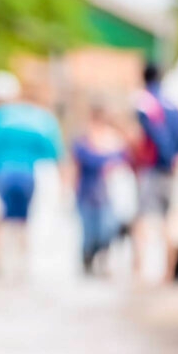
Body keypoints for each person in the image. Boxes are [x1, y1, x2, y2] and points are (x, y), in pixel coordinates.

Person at [0, 71, 64, 276]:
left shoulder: (0, 114)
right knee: (25, 219)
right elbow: (55, 155)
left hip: (0, 173)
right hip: (29, 176)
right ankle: (22, 265)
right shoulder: (44, 118)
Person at [129, 62, 178, 280]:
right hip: (174, 171)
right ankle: (167, 273)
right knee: (169, 221)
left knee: (143, 219)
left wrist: (166, 157)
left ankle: (138, 271)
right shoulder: (176, 106)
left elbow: (155, 134)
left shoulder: (145, 103)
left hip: (153, 168)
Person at [71, 103, 126, 273]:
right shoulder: (82, 140)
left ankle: (102, 260)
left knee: (106, 229)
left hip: (106, 193)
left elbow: (122, 157)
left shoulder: (112, 139)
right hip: (86, 192)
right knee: (89, 231)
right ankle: (88, 260)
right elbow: (85, 160)